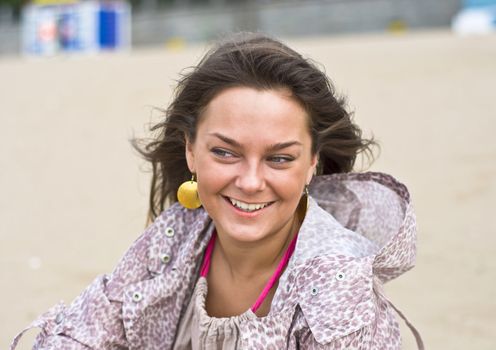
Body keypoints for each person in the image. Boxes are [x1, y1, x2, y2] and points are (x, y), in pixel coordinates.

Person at [11, 32, 423, 349]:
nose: (249, 181)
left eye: (280, 158)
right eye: (225, 152)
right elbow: (83, 332)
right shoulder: (176, 237)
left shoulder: (340, 289)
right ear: (190, 150)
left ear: (313, 161)